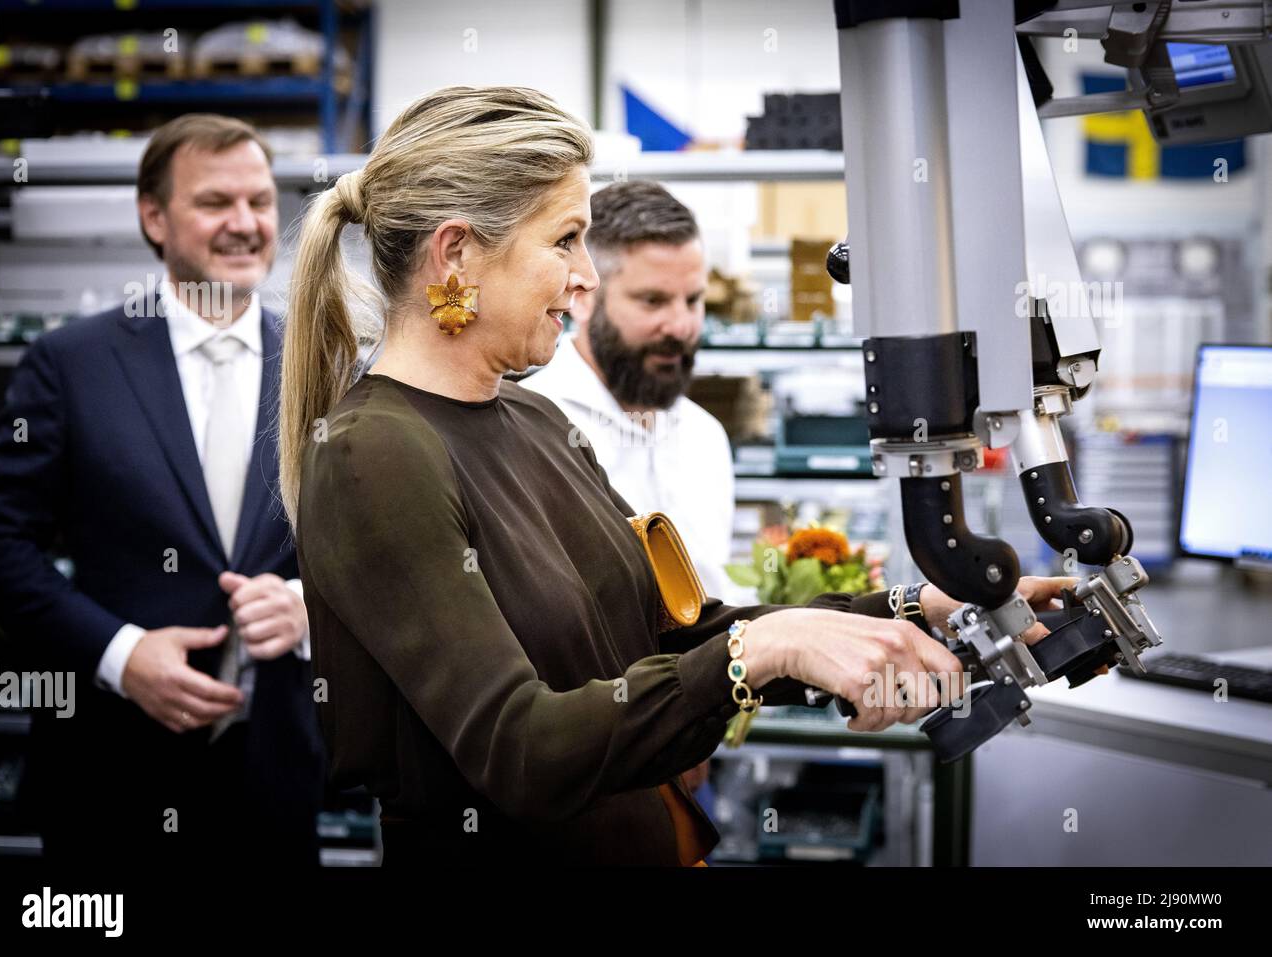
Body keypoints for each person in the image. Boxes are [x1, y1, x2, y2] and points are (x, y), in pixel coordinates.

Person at [279, 85, 1072, 866]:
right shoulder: (371, 453)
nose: (585, 276)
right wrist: (762, 649)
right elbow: (520, 747)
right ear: (456, 252)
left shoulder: (536, 422)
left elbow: (679, 629)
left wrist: (919, 607)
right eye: (565, 240)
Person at [0, 114, 324, 865]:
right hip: (110, 775)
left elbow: (370, 551)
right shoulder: (72, 362)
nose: (244, 224)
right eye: (215, 202)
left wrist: (304, 607)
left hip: (276, 778)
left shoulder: (320, 366)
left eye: (260, 202)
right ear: (154, 216)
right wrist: (120, 653)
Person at [521, 180, 735, 601]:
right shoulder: (533, 429)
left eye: (692, 301)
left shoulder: (705, 435)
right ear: (582, 297)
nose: (680, 327)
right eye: (652, 301)